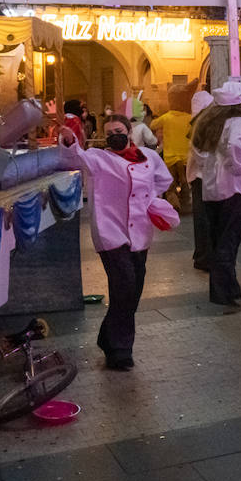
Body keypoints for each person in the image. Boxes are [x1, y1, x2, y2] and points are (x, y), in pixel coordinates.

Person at [59, 114, 175, 370]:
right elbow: (74, 158)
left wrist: (151, 199)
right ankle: (121, 350)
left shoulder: (149, 156)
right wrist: (69, 142)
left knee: (134, 287)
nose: (115, 136)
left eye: (119, 131)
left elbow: (164, 180)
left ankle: (108, 336)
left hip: (140, 232)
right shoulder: (99, 158)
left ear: (130, 131)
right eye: (109, 133)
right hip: (111, 231)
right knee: (124, 284)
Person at [190, 79, 241, 312]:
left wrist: (209, 166)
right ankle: (222, 292)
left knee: (218, 238)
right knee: (229, 241)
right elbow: (234, 146)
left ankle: (229, 287)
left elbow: (197, 150)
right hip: (235, 188)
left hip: (212, 188)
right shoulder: (240, 122)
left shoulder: (207, 121)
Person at [151, 85, 195, 212]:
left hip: (170, 158)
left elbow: (153, 125)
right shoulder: (189, 118)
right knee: (186, 183)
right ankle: (186, 204)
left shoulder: (166, 117)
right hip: (185, 158)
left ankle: (175, 205)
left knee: (170, 185)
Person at [186, 90, 214, 271]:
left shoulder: (197, 124)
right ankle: (204, 256)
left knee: (202, 218)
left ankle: (202, 254)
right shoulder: (203, 125)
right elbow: (201, 154)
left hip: (199, 176)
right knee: (205, 218)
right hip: (205, 176)